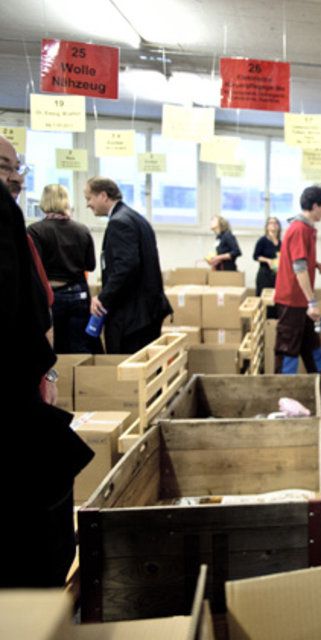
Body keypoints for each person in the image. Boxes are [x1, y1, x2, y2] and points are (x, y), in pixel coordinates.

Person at [0, 178, 94, 587]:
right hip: (74, 298)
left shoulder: (34, 231)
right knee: (72, 362)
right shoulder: (80, 231)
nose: (16, 179)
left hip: (43, 326)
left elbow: (33, 301)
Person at [85, 177, 172, 354]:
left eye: (89, 198)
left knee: (127, 372)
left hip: (133, 318)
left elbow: (126, 266)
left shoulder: (119, 222)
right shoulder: (134, 217)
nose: (88, 204)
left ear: (103, 195)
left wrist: (102, 298)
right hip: (146, 312)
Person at [27, 184, 101, 353]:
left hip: (52, 297)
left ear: (44, 201)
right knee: (80, 346)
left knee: (54, 348)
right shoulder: (82, 230)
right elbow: (90, 265)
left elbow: (33, 269)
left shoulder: (35, 231)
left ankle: (60, 379)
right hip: (79, 295)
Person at [274, 186, 321, 374]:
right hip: (292, 301)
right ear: (315, 206)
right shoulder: (299, 229)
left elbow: (299, 260)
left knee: (311, 345)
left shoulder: (306, 228)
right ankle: (282, 394)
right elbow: (299, 269)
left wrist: (315, 264)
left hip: (301, 301)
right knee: (288, 349)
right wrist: (312, 302)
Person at [253, 216, 282, 297]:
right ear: (267, 227)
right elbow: (255, 256)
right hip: (264, 275)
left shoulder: (280, 243)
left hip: (276, 276)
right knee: (264, 300)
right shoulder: (262, 240)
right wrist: (268, 260)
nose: (273, 225)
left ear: (279, 227)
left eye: (276, 223)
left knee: (275, 300)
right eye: (271, 223)